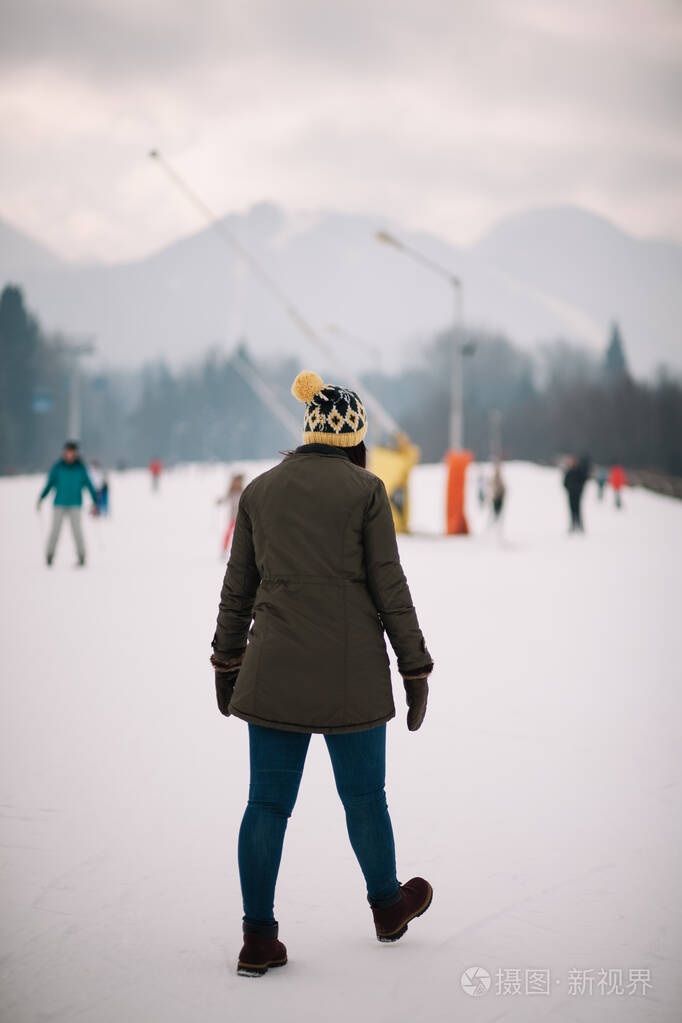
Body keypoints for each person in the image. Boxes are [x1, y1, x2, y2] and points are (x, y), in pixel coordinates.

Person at [210, 370, 434, 978]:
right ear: (356, 437)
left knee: (266, 804)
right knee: (364, 798)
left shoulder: (260, 491)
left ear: (308, 430)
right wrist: (413, 666)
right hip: (351, 676)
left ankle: (258, 939)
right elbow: (390, 586)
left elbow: (237, 589)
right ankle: (387, 906)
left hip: (273, 671)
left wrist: (227, 660)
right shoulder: (367, 491)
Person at [37, 440, 98, 566]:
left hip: (75, 504)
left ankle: (81, 555)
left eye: (72, 452)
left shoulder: (80, 467)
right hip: (59, 503)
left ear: (75, 453)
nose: (70, 454)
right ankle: (49, 555)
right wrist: (41, 498)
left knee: (77, 531)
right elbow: (49, 483)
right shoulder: (58, 467)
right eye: (68, 451)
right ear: (64, 452)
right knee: (55, 530)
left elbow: (89, 484)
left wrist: (95, 501)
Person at [216, 473, 244, 555]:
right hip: (232, 517)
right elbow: (225, 499)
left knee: (241, 535)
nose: (237, 483)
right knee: (228, 534)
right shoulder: (231, 492)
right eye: (236, 482)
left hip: (241, 517)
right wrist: (220, 501)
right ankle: (224, 550)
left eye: (238, 482)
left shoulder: (242, 492)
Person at [563, 455, 589, 533]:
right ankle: (572, 526)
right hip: (571, 494)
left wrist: (579, 489)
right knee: (572, 510)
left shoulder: (579, 471)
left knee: (578, 510)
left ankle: (580, 527)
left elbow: (584, 480)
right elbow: (565, 482)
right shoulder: (569, 471)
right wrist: (569, 489)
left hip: (577, 494)